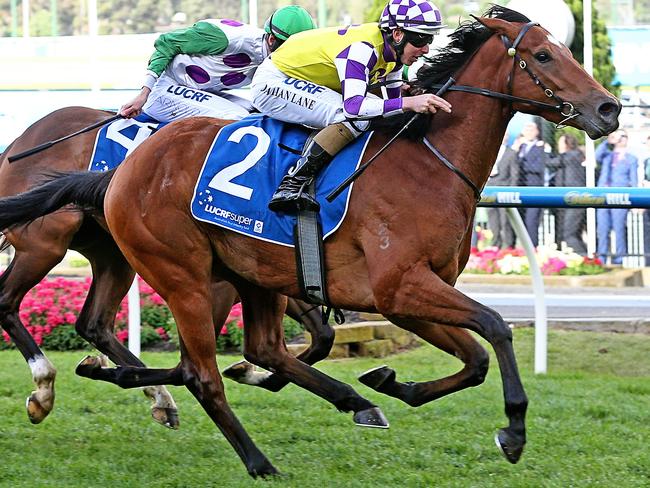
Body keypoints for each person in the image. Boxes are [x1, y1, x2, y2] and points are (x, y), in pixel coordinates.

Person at [250, 0, 452, 213]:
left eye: (430, 38)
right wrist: (409, 102)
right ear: (398, 34)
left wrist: (410, 98)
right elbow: (354, 107)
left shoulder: (392, 55)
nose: (427, 48)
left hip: (301, 79)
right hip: (273, 82)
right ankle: (292, 183)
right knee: (358, 116)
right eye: (422, 39)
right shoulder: (362, 49)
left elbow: (393, 109)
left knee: (379, 111)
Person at [119, 6, 316, 122]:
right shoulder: (223, 38)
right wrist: (143, 95)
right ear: (272, 40)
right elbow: (166, 42)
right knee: (236, 117)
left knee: (259, 116)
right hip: (165, 90)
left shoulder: (273, 53)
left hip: (204, 92)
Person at [596, 130, 638, 264]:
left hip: (620, 196)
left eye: (623, 136)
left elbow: (634, 180)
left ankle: (619, 259)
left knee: (619, 228)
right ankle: (601, 258)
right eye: (618, 136)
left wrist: (635, 200)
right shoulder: (607, 156)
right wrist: (608, 141)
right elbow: (596, 156)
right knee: (602, 229)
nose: (620, 139)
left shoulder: (631, 158)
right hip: (603, 195)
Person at [546, 134, 587, 254]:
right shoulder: (570, 156)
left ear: (567, 144)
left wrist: (546, 151)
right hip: (567, 198)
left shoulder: (572, 155)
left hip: (574, 198)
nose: (559, 146)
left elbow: (550, 162)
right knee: (570, 234)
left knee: (569, 235)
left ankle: (585, 258)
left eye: (561, 143)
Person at [512, 121, 549, 246]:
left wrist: (521, 165)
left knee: (531, 220)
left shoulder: (541, 147)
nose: (529, 132)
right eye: (526, 129)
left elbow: (539, 167)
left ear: (537, 132)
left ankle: (533, 247)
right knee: (518, 220)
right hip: (518, 186)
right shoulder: (519, 147)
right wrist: (515, 149)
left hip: (534, 187)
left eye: (531, 129)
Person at [487, 132, 519, 248]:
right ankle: (496, 244)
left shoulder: (511, 153)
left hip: (504, 189)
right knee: (493, 220)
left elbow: (515, 174)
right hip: (489, 188)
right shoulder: (489, 150)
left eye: (505, 135)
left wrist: (512, 191)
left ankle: (509, 246)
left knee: (505, 220)